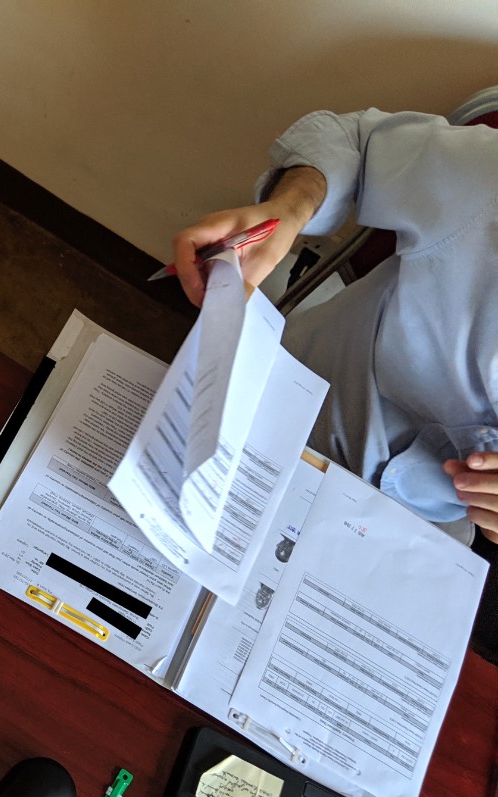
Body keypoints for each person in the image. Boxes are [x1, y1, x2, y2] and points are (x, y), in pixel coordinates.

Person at [169, 96, 498, 658]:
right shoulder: (486, 185)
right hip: (280, 411)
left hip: (419, 534)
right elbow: (359, 145)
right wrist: (288, 210)